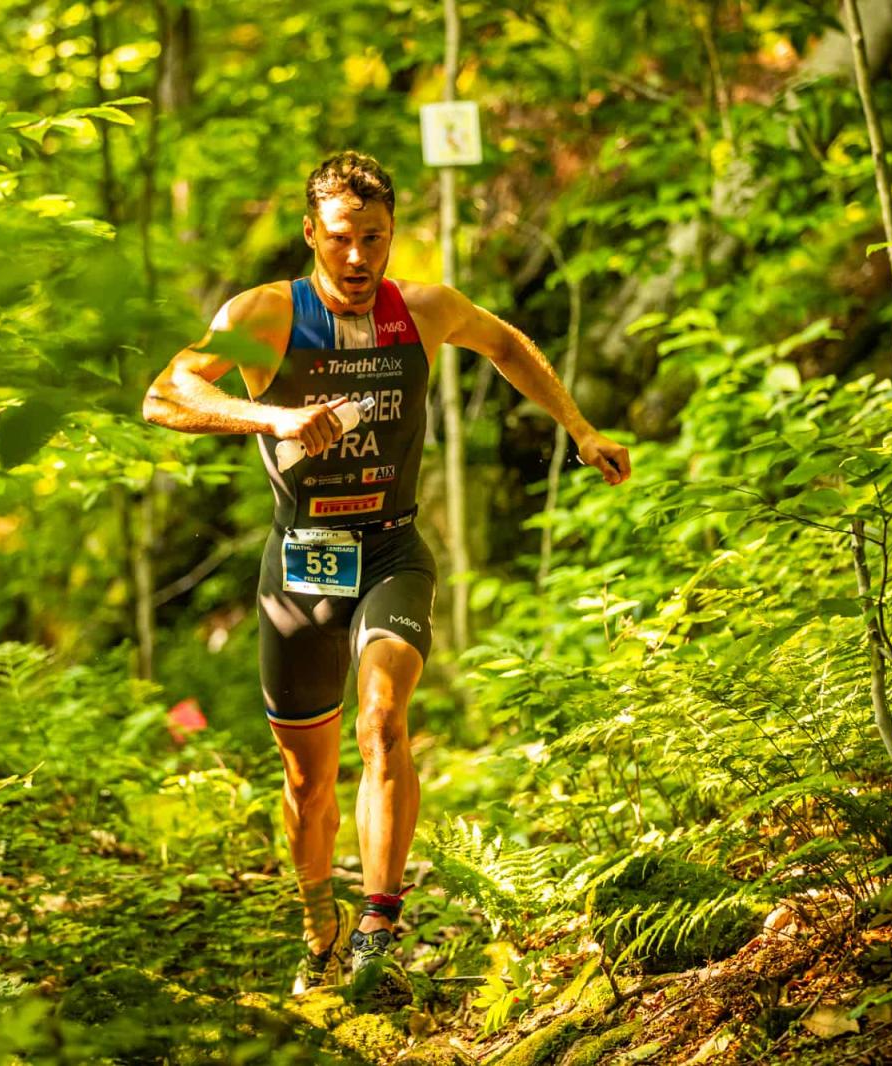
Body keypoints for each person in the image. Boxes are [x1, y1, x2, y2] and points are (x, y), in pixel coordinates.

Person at [142, 151, 630, 991]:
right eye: (341, 238)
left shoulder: (425, 310)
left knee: (382, 721)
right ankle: (318, 923)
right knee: (307, 783)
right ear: (311, 234)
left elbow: (505, 344)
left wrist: (579, 428)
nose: (359, 256)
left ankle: (378, 923)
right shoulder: (267, 316)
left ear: (394, 232)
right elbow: (166, 394)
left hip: (391, 550)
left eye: (375, 238)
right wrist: (273, 417)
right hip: (301, 565)